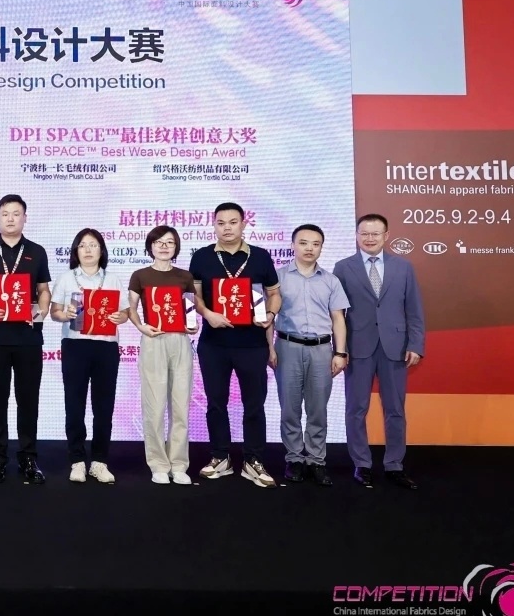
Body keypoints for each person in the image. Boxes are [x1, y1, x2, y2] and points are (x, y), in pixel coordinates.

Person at [189, 202, 281, 488]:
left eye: (232, 222)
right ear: (214, 225)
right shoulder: (202, 257)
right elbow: (194, 297)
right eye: (221, 223)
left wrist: (270, 315)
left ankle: (253, 460)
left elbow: (274, 294)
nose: (227, 228)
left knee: (254, 404)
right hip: (213, 344)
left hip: (252, 344)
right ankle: (221, 457)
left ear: (243, 224)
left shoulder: (261, 256)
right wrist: (208, 314)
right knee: (216, 403)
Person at [333, 214, 425, 490]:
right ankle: (361, 464)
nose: (369, 238)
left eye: (375, 233)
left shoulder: (403, 267)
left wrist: (416, 344)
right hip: (357, 348)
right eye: (364, 233)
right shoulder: (343, 267)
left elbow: (414, 310)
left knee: (395, 409)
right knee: (356, 409)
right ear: (356, 235)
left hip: (395, 348)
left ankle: (394, 465)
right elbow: (336, 314)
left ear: (386, 236)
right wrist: (339, 350)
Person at [0, 194, 52, 484]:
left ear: (24, 218)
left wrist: (42, 309)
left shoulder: (37, 252)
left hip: (29, 336)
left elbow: (43, 290)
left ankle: (28, 457)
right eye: (5, 213)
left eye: (16, 213)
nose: (10, 218)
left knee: (28, 398)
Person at [268, 224, 349, 487]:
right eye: (303, 243)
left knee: (318, 409)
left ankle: (316, 460)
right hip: (287, 347)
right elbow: (268, 318)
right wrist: (269, 348)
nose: (309, 248)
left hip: (322, 350)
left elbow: (338, 319)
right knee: (289, 408)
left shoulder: (331, 280)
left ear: (321, 248)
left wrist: (340, 352)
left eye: (315, 244)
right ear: (293, 245)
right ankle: (294, 458)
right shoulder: (278, 278)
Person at [51, 228, 128, 484]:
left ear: (101, 250)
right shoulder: (66, 278)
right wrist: (65, 315)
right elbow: (54, 312)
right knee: (74, 405)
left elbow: (124, 313)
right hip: (75, 346)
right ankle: (77, 461)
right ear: (76, 251)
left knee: (104, 406)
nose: (88, 250)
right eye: (83, 245)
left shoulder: (113, 279)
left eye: (93, 245)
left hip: (106, 347)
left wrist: (119, 317)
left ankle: (99, 461)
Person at [127, 225, 195, 485]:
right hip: (153, 340)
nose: (164, 246)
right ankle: (157, 464)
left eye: (170, 242)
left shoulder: (185, 276)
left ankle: (179, 464)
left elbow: (189, 308)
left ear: (176, 247)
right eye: (159, 242)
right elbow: (131, 307)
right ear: (150, 246)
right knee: (154, 406)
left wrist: (192, 325)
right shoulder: (140, 275)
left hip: (180, 341)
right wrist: (140, 326)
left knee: (180, 406)